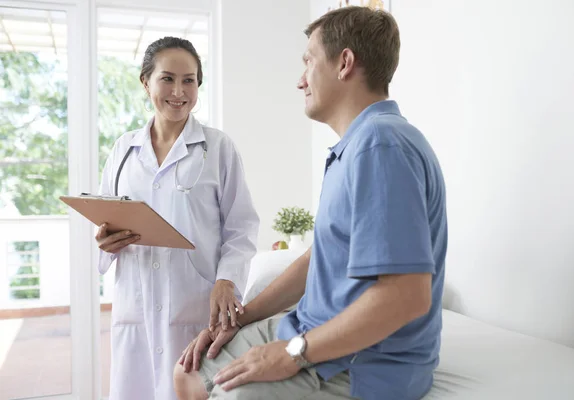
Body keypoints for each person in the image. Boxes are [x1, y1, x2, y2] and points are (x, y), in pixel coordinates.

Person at [174, 6, 447, 400]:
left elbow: (406, 295)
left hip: (363, 361)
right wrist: (243, 317)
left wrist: (293, 353)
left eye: (308, 62)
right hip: (311, 326)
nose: (301, 80)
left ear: (345, 63)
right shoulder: (355, 146)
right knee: (188, 372)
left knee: (230, 394)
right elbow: (320, 255)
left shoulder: (380, 146)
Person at [95, 36, 260, 400]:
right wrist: (104, 243)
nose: (179, 91)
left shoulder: (217, 148)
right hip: (135, 305)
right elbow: (106, 220)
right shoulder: (124, 150)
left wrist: (227, 280)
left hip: (193, 305)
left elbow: (241, 226)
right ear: (146, 82)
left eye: (189, 80)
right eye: (167, 78)